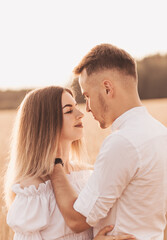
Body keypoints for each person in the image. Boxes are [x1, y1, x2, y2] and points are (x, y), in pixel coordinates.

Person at [50, 44, 167, 240]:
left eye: (87, 96)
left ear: (107, 88)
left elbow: (77, 219)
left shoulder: (122, 142)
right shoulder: (161, 133)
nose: (86, 108)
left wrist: (55, 163)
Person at [4, 86, 135, 240]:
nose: (80, 114)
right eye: (68, 111)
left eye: (76, 107)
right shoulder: (34, 190)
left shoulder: (86, 175)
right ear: (46, 122)